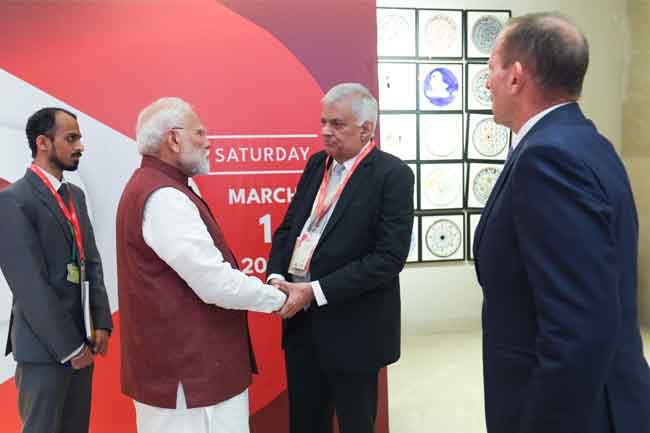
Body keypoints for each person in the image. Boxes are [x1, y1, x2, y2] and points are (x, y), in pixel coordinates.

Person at [474, 12, 650, 433]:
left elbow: (578, 327)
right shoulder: (587, 141)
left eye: (491, 68)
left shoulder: (546, 158)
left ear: (516, 77)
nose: (487, 83)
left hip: (576, 411)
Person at [116, 97, 287, 433]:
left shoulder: (155, 186)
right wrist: (280, 299)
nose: (208, 142)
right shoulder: (164, 196)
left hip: (184, 375)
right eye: (200, 133)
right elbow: (215, 284)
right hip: (191, 381)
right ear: (174, 138)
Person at [267, 83, 414, 433]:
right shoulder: (316, 165)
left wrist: (314, 291)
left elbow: (388, 258)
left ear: (366, 129)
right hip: (301, 325)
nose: (325, 132)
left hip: (354, 330)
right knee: (306, 422)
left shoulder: (392, 175)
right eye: (323, 122)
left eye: (336, 124)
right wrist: (276, 277)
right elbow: (288, 228)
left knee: (355, 424)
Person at [0, 107, 113, 433]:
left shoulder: (75, 196)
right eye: (71, 138)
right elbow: (30, 286)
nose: (80, 146)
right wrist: (70, 348)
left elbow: (91, 262)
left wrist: (101, 321)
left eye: (79, 138)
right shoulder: (13, 200)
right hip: (45, 351)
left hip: (83, 344)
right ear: (43, 143)